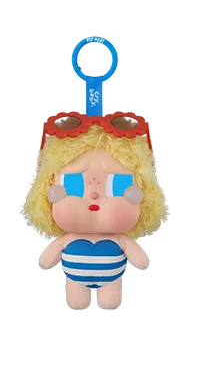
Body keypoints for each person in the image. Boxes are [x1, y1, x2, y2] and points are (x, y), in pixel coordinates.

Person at [23, 109, 169, 309]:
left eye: (116, 185)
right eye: (73, 184)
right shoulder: (68, 238)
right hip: (75, 280)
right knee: (77, 303)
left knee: (109, 303)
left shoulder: (119, 239)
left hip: (112, 280)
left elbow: (141, 261)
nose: (93, 196)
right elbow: (46, 262)